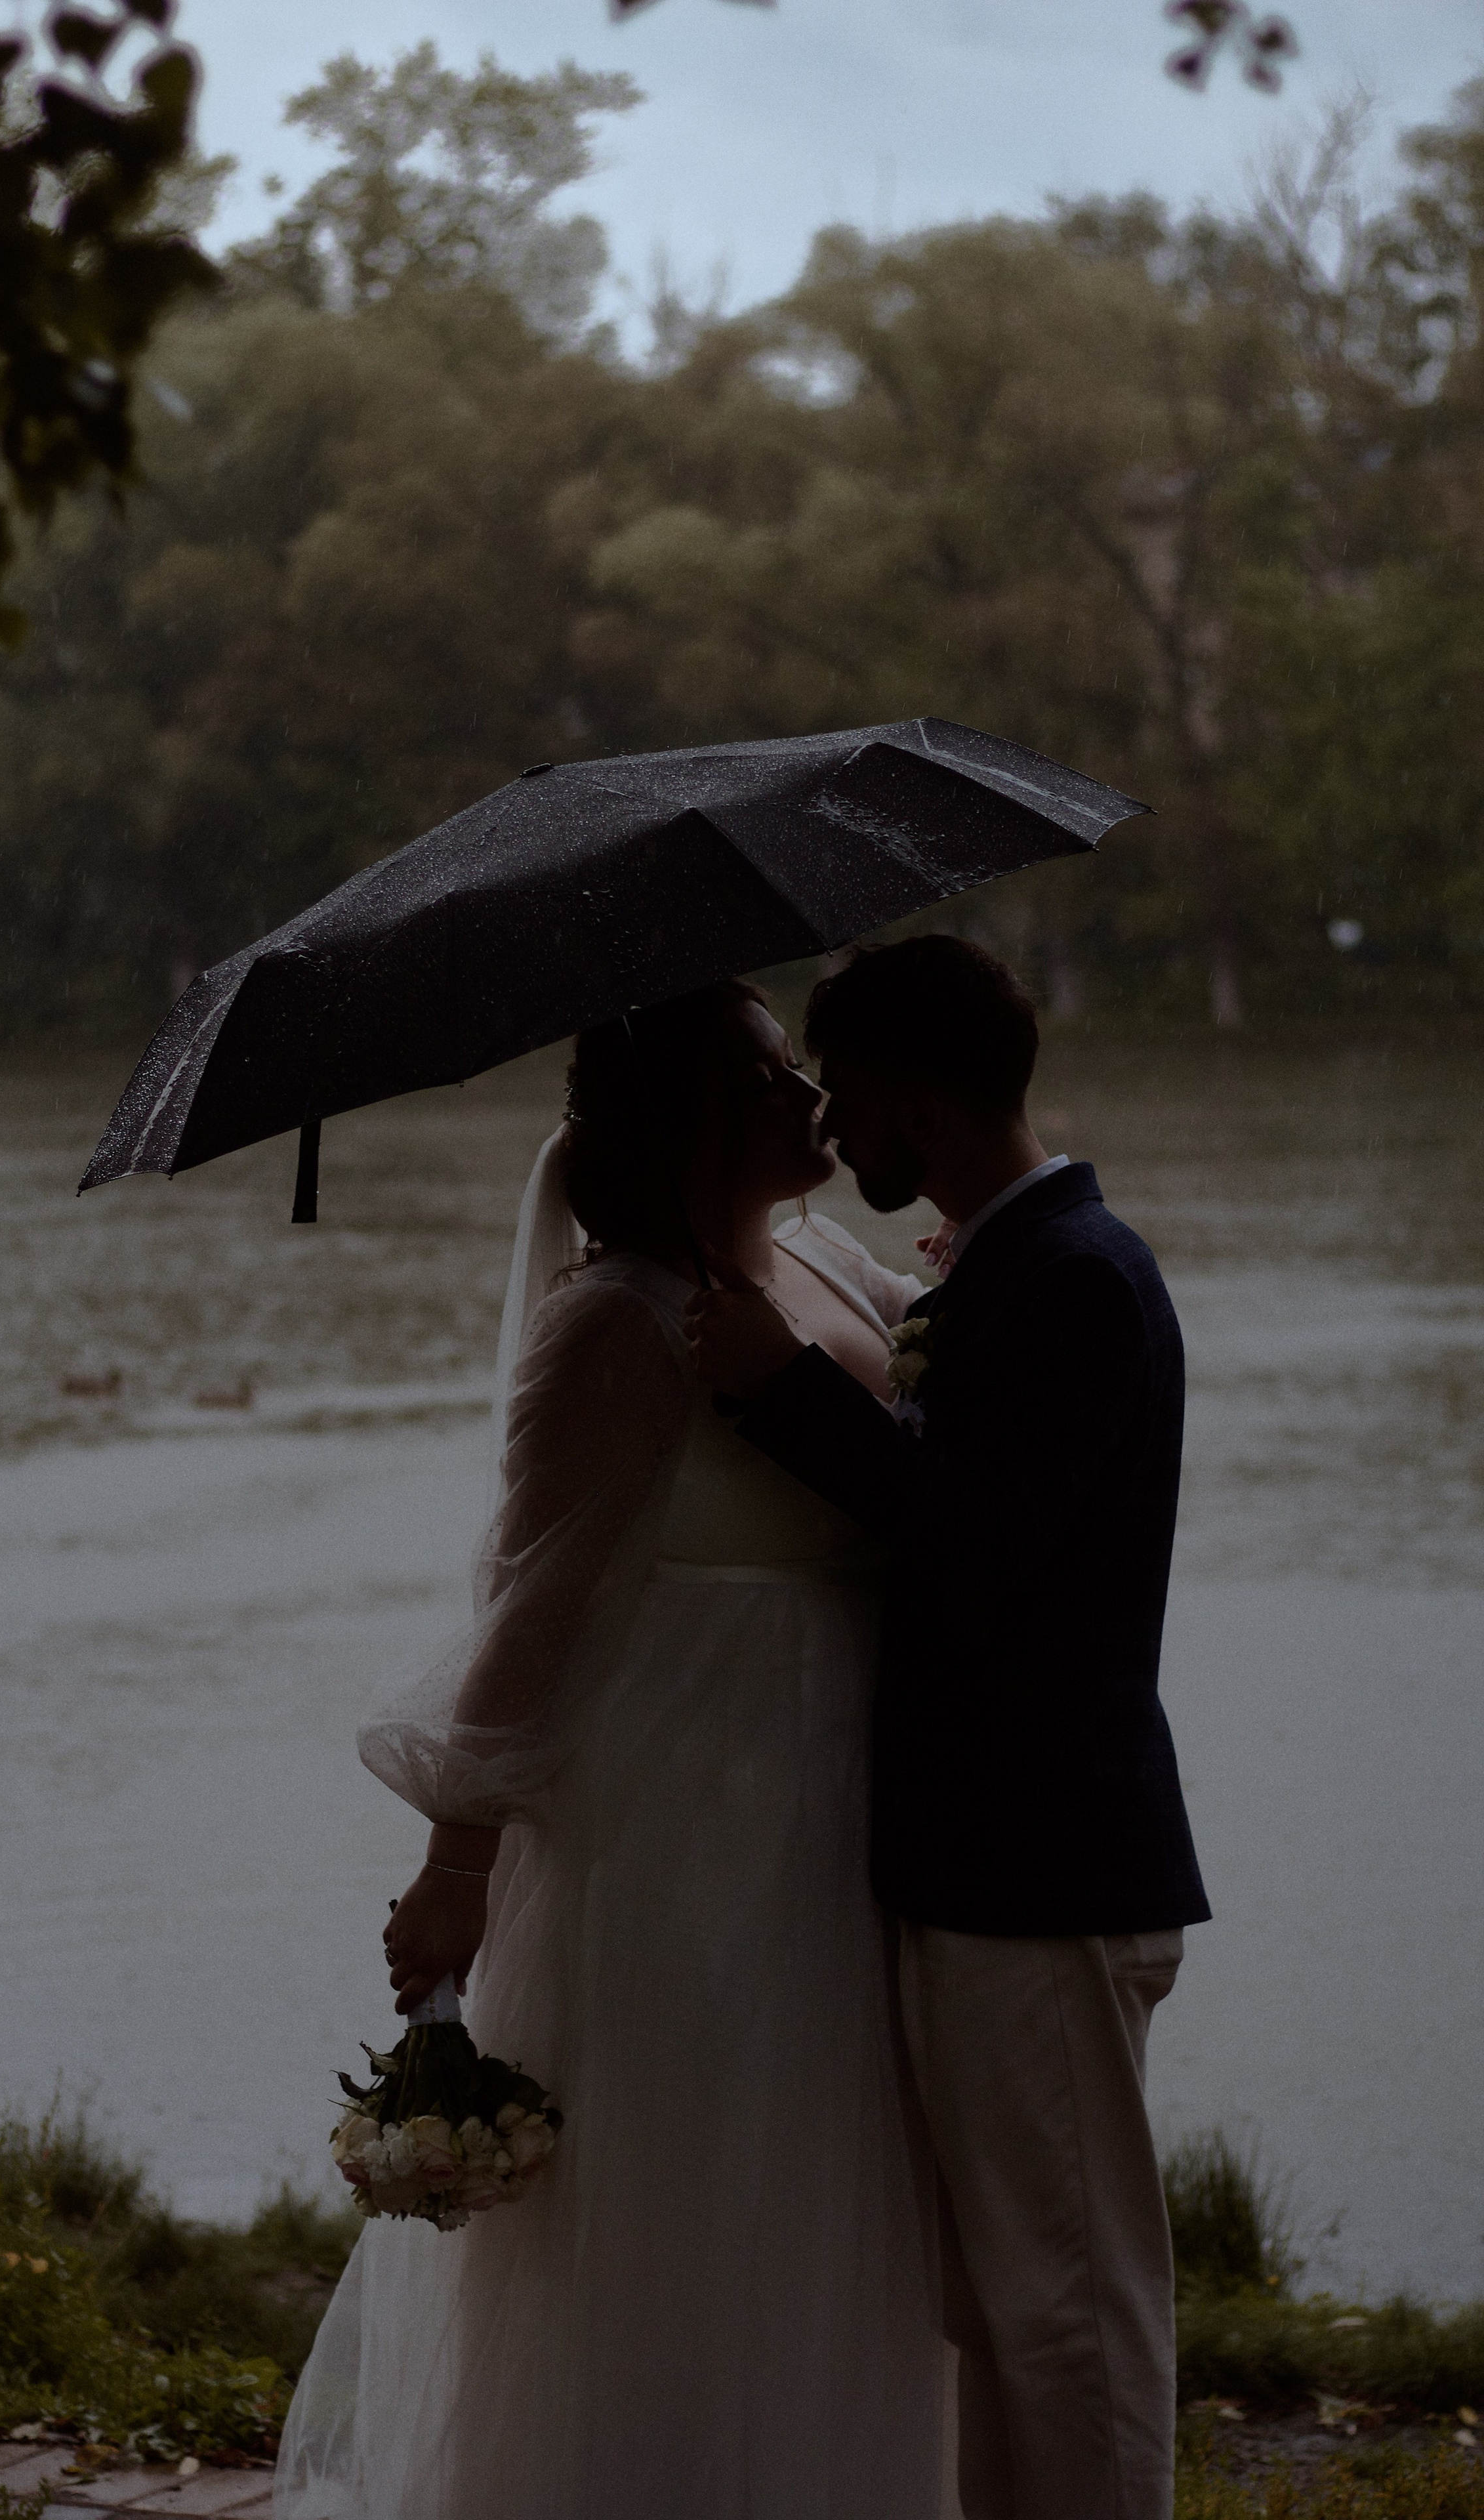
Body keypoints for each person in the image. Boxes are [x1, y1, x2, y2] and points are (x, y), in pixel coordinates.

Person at [276, 982, 952, 2520]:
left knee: (830, 2205)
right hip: (682, 1840)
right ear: (690, 1122)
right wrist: (455, 1866)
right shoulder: (612, 1320)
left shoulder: (824, 1260)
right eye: (775, 1077)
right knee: (687, 2207)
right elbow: (533, 1618)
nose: (811, 1100)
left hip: (843, 1814)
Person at [685, 934, 1211, 2520]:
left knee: (1068, 2311)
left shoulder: (1072, 1280)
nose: (831, 1129)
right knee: (998, 2304)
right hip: (991, 1863)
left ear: (918, 1100)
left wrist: (786, 1390)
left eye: (843, 1094)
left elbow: (981, 1541)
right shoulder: (1007, 1265)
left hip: (1042, 1870)